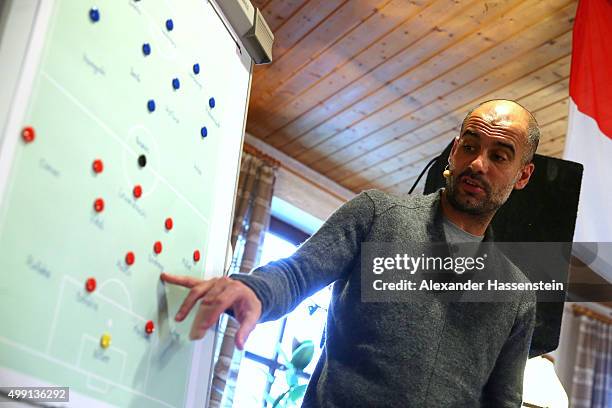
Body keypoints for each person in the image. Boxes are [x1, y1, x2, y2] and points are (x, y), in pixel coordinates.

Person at [162, 99, 539, 407]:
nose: (477, 163)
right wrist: (256, 290)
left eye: (500, 156)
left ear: (522, 176)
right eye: (470, 146)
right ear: (454, 152)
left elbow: (503, 400)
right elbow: (297, 273)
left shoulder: (518, 295)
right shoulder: (377, 215)